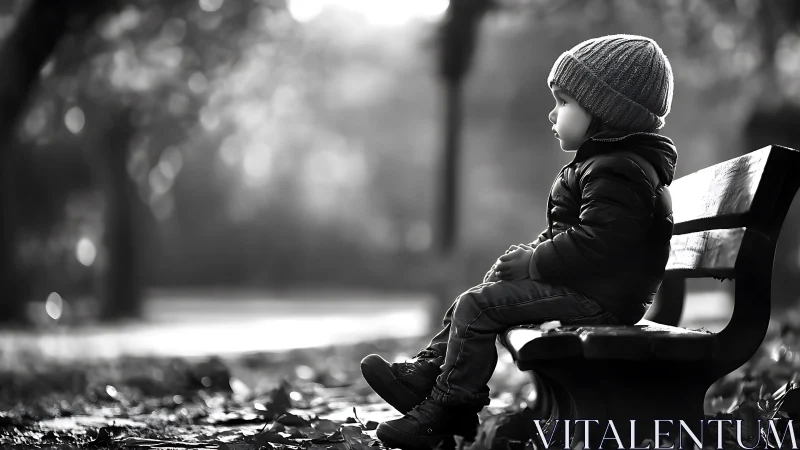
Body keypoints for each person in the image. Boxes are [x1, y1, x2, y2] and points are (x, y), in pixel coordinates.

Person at [361, 34, 678, 449]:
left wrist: (534, 263)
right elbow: (577, 237)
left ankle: (449, 409)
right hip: (594, 290)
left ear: (606, 111)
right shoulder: (607, 164)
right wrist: (528, 256)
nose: (553, 113)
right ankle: (428, 374)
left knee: (479, 308)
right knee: (480, 296)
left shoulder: (618, 170)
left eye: (564, 102)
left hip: (602, 301)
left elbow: (599, 245)